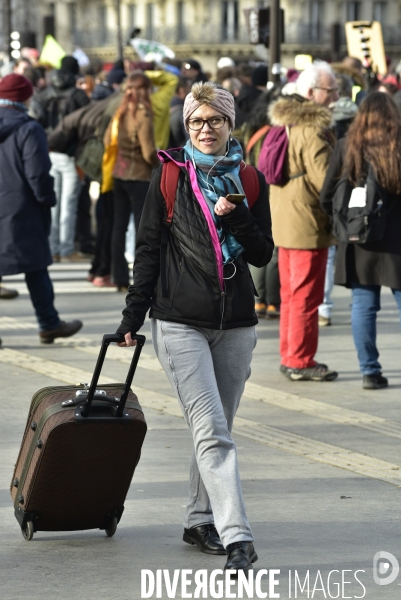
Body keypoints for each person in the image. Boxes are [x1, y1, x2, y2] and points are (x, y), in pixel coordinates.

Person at [115, 81, 273, 573]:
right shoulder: (169, 175)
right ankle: (238, 538)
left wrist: (241, 218)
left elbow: (264, 254)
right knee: (211, 432)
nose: (205, 129)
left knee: (218, 429)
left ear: (230, 124)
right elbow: (147, 251)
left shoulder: (248, 179)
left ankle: (199, 519)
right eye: (196, 122)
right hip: (179, 321)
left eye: (214, 120)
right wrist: (132, 317)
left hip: (237, 323)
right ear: (186, 126)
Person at [320, 92, 401, 390]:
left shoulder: (345, 147)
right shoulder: (397, 146)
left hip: (358, 239)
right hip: (396, 240)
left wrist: (341, 223)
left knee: (363, 305)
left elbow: (326, 196)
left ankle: (369, 371)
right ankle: (370, 369)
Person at [266, 61, 339, 381]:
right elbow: (326, 180)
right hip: (307, 221)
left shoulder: (285, 123)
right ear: (312, 93)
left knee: (291, 294)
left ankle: (290, 353)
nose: (336, 96)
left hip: (285, 219)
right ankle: (300, 360)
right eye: (331, 90)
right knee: (307, 295)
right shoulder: (312, 129)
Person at [0, 74, 82, 344]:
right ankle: (48, 322)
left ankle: (48, 323)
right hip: (22, 207)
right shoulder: (29, 128)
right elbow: (37, 172)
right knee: (36, 267)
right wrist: (47, 199)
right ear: (25, 97)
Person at [104, 72, 159, 291]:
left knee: (119, 227)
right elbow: (148, 152)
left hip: (119, 174)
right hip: (139, 177)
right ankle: (141, 277)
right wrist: (160, 164)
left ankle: (119, 278)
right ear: (144, 90)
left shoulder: (120, 112)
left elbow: (108, 139)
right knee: (141, 228)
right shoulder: (143, 115)